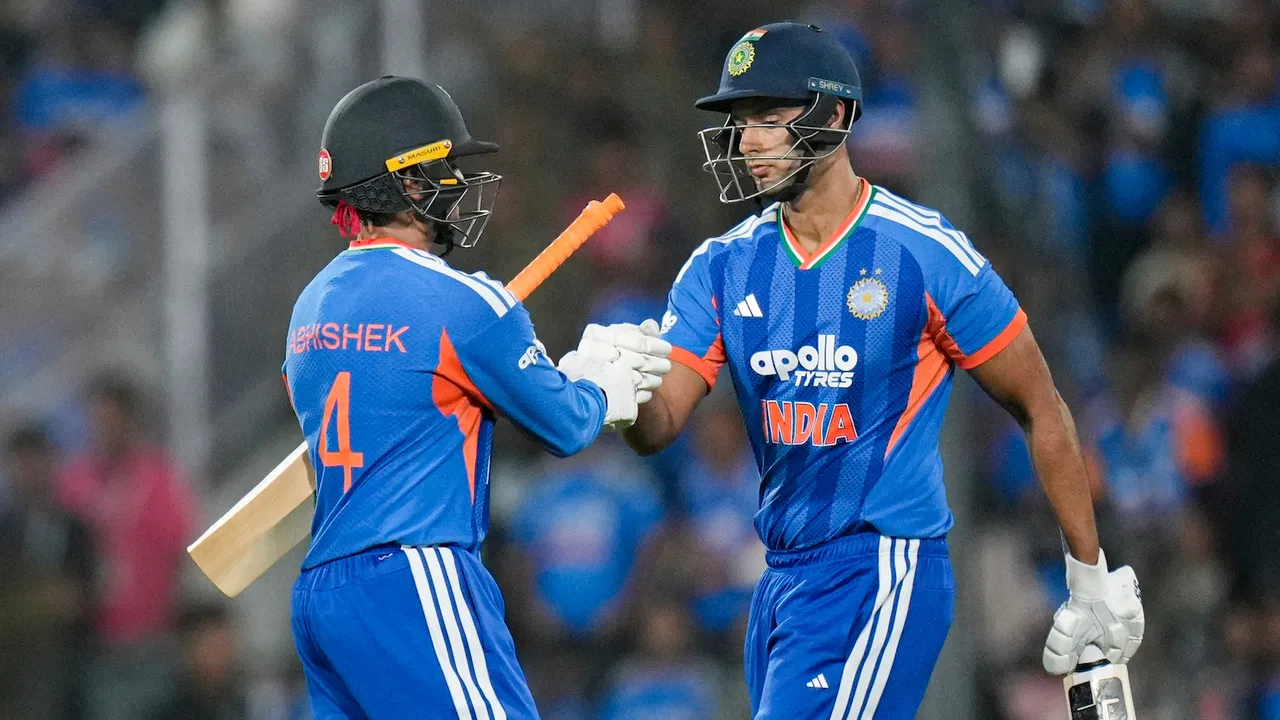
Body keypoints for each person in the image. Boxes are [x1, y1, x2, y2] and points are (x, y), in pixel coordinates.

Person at [576, 22, 1145, 718]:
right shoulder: (719, 266)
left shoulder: (926, 254)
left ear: (835, 115)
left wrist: (1089, 576)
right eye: (738, 121)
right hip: (781, 580)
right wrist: (622, 398)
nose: (747, 140)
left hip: (883, 568)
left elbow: (1041, 407)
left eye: (767, 117)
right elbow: (663, 422)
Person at [284, 76, 670, 719]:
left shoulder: (310, 307)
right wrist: (601, 385)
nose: (458, 189)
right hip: (417, 575)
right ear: (408, 182)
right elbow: (568, 426)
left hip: (323, 594)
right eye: (445, 170)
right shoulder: (465, 300)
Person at [55, 374, 195, 720]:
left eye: (110, 417)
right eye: (95, 418)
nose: (102, 427)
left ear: (129, 418)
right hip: (96, 641)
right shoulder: (74, 481)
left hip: (152, 636)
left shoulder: (157, 477)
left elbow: (179, 548)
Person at [0, 425, 94, 720]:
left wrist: (74, 599)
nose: (29, 472)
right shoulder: (5, 532)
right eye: (22, 463)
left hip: (70, 661)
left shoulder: (75, 527)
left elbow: (88, 586)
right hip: (15, 666)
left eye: (35, 461)